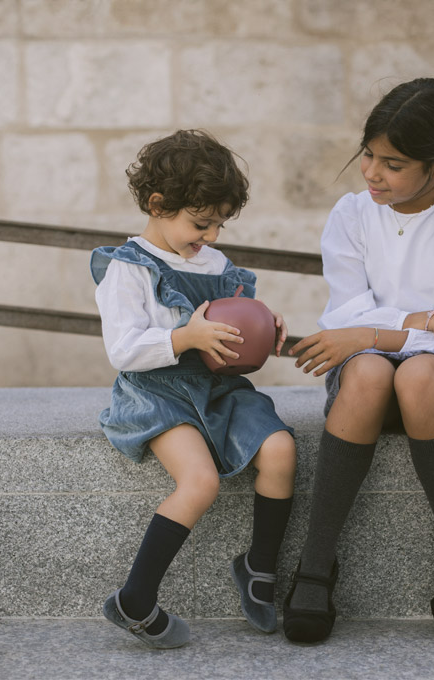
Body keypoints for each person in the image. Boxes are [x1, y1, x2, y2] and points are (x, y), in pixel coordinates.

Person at [285, 77, 434, 643]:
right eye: (369, 155)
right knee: (370, 370)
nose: (372, 173)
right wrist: (426, 320)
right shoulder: (353, 215)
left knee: (421, 377)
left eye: (394, 164)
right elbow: (347, 314)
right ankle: (316, 560)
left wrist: (378, 331)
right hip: (368, 378)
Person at [90, 129, 298, 648]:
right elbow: (123, 350)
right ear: (158, 205)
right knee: (199, 482)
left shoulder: (217, 265)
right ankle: (135, 598)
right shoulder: (128, 268)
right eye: (200, 223)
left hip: (219, 390)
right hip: (157, 393)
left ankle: (258, 566)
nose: (208, 236)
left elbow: (234, 321)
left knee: (281, 450)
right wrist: (185, 336)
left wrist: (262, 323)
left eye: (218, 225)